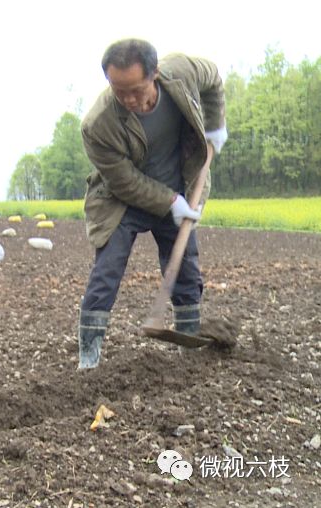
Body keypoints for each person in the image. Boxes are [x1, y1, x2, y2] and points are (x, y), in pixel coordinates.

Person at [77, 39, 227, 369]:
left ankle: (188, 338)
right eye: (119, 91)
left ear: (155, 73)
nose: (128, 99)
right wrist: (169, 201)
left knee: (186, 265)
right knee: (107, 268)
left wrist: (216, 126)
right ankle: (89, 353)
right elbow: (123, 181)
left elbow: (214, 80)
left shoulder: (182, 72)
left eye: (135, 89)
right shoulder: (97, 124)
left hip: (178, 184)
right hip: (121, 201)